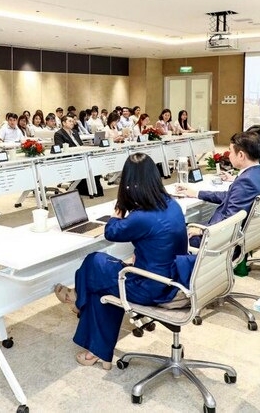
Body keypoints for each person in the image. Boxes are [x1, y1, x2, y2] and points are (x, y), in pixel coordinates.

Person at [53, 153, 188, 369]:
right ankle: (97, 351)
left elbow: (111, 232)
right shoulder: (172, 204)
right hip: (173, 279)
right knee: (100, 286)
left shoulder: (142, 216)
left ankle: (79, 300)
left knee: (94, 261)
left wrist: (117, 214)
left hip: (152, 287)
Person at [178, 131, 260, 247]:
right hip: (238, 237)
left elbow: (230, 222)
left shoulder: (245, 182)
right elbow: (230, 196)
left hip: (219, 241)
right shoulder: (259, 173)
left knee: (170, 232)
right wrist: (197, 193)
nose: (229, 155)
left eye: (230, 151)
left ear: (241, 155)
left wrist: (202, 230)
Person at [55, 115, 103, 196]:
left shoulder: (75, 132)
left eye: (72, 121)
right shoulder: (59, 134)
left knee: (94, 163)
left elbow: (80, 145)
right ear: (63, 123)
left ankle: (95, 188)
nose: (72, 123)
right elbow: (61, 148)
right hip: (71, 158)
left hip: (81, 155)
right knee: (87, 165)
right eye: (70, 121)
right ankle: (86, 189)